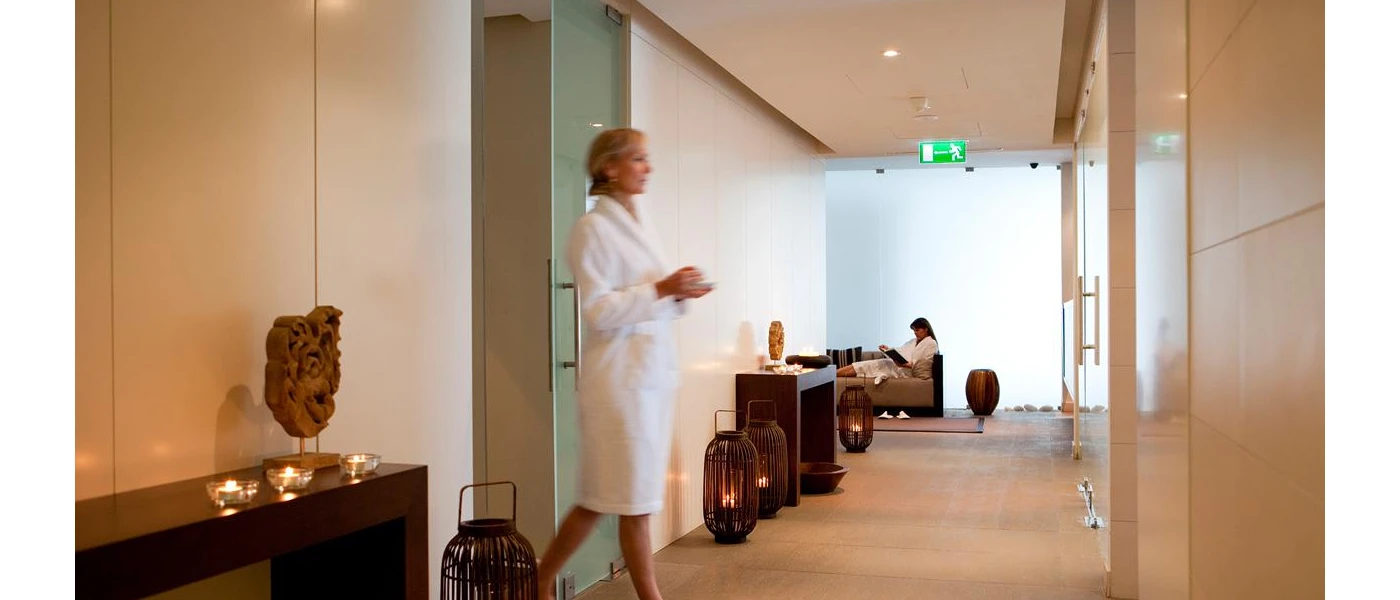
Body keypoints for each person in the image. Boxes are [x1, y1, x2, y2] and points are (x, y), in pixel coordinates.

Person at [536, 128, 711, 600]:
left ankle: (539, 578)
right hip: (617, 383)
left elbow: (654, 295)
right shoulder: (591, 229)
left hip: (647, 377)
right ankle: (641, 595)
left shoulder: (639, 224)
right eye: (638, 159)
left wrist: (680, 290)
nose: (647, 167)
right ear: (609, 168)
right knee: (623, 499)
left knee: (612, 497)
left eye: (647, 158)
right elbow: (598, 310)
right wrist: (660, 289)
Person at [835, 317, 939, 379]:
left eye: (917, 330)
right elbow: (901, 351)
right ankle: (833, 375)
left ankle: (832, 375)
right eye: (914, 331)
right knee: (862, 365)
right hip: (895, 365)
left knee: (866, 366)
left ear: (926, 329)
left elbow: (921, 363)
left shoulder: (931, 343)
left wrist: (905, 364)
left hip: (903, 371)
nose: (915, 333)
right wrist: (888, 350)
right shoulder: (914, 341)